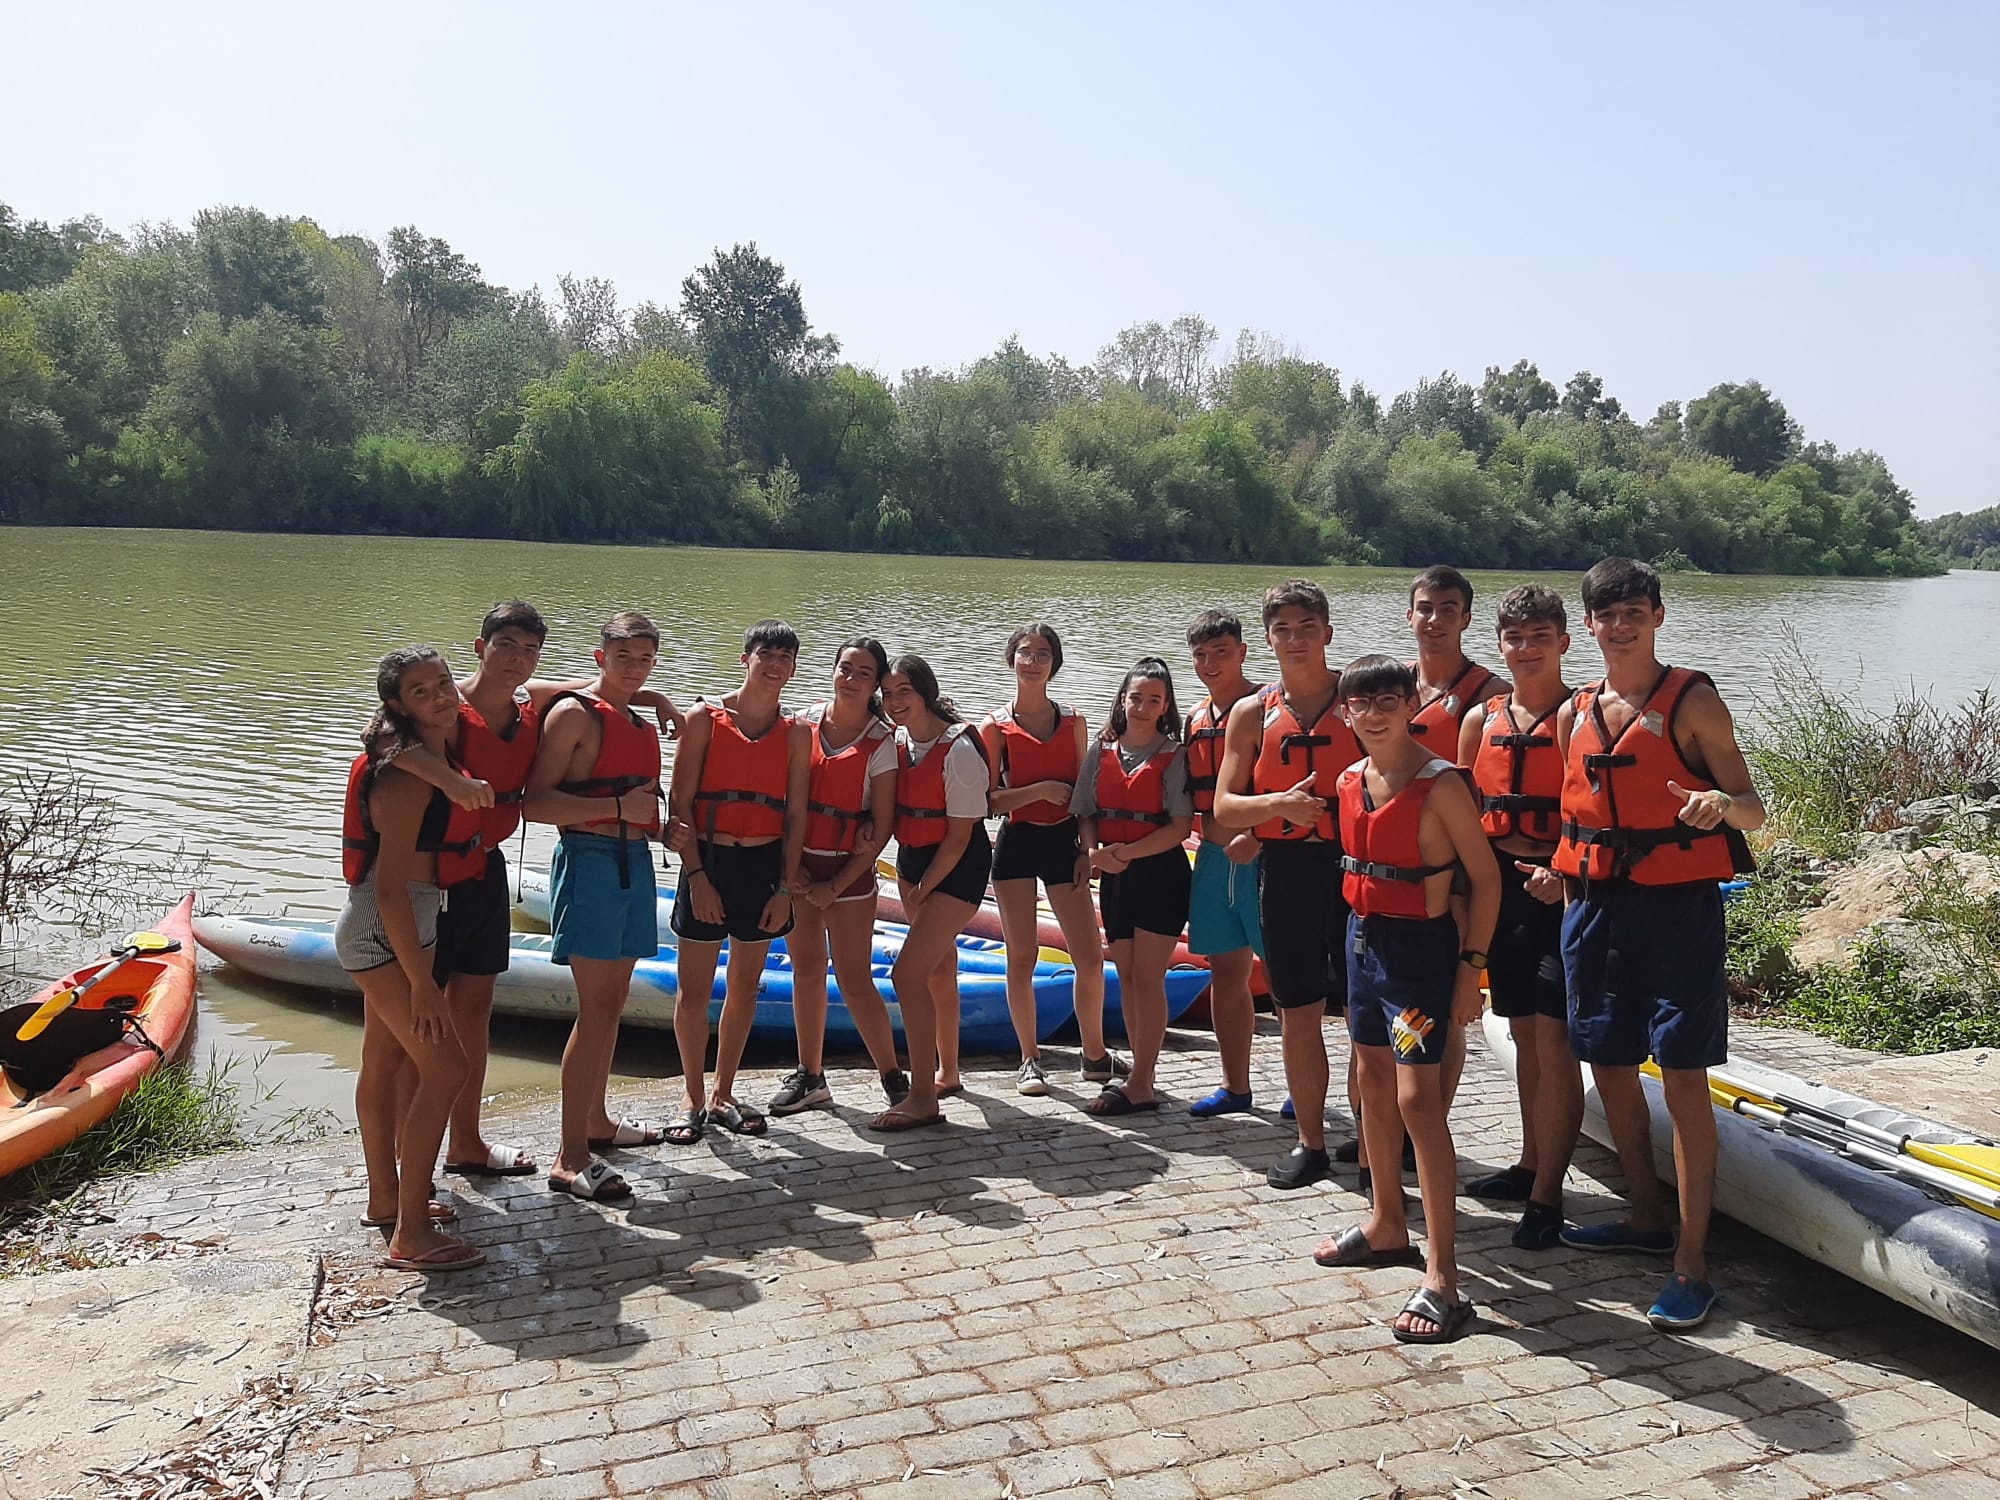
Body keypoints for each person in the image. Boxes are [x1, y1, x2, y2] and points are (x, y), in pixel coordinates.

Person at [390, 602, 685, 1179]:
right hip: (430, 878)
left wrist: (657, 700)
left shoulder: (530, 703)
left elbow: (601, 686)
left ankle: (471, 1141)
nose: (518, 660)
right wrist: (449, 779)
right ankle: (404, 1176)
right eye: (506, 646)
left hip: (487, 870)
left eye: (529, 651)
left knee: (477, 1012)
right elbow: (384, 741)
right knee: (414, 1030)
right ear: (480, 647)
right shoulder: (448, 707)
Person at [1550, 557, 1763, 1332]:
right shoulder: (1577, 712)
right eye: (1607, 615)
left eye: (1634, 612)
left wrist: (1717, 802)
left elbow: (1753, 809)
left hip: (1677, 909)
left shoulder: (1693, 701)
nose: (1621, 626)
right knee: (1607, 1061)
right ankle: (1645, 1215)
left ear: (1658, 617)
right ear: (1589, 625)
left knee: (1681, 1075)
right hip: (1596, 907)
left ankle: (1691, 1264)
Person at [1313, 655, 1498, 1345]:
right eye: (1361, 704)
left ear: (1411, 704)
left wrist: (1471, 970)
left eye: (1388, 700)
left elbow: (1486, 881)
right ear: (1345, 712)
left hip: (1422, 956)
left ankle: (1444, 1275)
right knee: (1371, 1081)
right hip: (1364, 944)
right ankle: (1387, 1222)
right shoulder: (1348, 780)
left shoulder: (1441, 784)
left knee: (1418, 1100)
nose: (1374, 714)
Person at [334, 647, 479, 1271]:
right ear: (398, 705)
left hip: (406, 926)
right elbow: (390, 889)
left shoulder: (429, 757)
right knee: (446, 1070)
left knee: (384, 1058)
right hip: (381, 932)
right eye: (423, 691)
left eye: (444, 683)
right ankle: (411, 1234)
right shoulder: (406, 778)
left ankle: (387, 1200)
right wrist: (422, 984)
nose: (442, 696)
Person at [1213, 579, 1360, 1190]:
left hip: (1354, 872)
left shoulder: (1360, 700)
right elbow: (1224, 806)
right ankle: (1310, 1141)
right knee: (1297, 1012)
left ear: (1327, 633)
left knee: (1362, 1016)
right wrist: (1277, 805)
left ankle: (1374, 1141)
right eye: (1283, 630)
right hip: (1286, 873)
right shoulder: (1251, 713)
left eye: (1307, 628)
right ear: (1268, 639)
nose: (1295, 640)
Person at [523, 612, 675, 1203]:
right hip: (588, 862)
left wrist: (662, 830)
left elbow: (640, 807)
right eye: (623, 658)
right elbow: (535, 803)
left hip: (635, 862)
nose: (635, 669)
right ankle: (569, 1158)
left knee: (613, 1004)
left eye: (645, 660)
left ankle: (596, 1121)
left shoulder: (636, 719)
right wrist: (616, 809)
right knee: (596, 1009)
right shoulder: (572, 714)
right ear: (599, 657)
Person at [1456, 584, 1581, 1247]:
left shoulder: (1581, 716)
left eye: (1540, 637)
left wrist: (1564, 871)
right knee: (1524, 1037)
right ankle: (1532, 1163)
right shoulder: (1482, 719)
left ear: (1564, 642)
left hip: (1561, 890)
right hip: (1501, 888)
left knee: (1554, 1045)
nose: (1527, 649)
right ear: (1499, 644)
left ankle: (1548, 1196)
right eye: (1515, 638)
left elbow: (1597, 810)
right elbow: (1462, 814)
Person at [667, 620, 808, 1142]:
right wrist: (697, 877)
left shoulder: (797, 732)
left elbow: (796, 815)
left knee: (745, 984)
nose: (775, 665)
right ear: (745, 658)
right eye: (766, 653)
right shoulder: (704, 719)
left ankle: (723, 1093)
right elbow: (680, 802)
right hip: (708, 862)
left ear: (793, 668)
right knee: (694, 989)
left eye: (785, 657)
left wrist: (785, 888)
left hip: (763, 867)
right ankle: (691, 1095)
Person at [768, 637, 911, 1115]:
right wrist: (791, 873)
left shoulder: (882, 742)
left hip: (848, 878)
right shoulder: (802, 723)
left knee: (854, 978)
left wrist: (837, 883)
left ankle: (893, 1078)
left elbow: (883, 825)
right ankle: (810, 1077)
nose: (850, 680)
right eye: (845, 668)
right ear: (832, 670)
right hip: (798, 870)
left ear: (875, 685)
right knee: (806, 970)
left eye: (863, 673)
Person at [979, 624, 1117, 1097]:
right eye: (1025, 652)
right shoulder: (995, 727)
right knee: (1022, 956)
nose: (1033, 661)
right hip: (1016, 843)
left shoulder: (1074, 721)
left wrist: (1088, 849)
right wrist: (1038, 791)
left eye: (1043, 654)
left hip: (1063, 844)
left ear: (1054, 664)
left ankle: (1094, 1055)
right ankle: (1030, 1059)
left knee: (1089, 957)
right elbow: (987, 802)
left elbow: (1084, 797)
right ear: (1011, 660)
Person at [872, 655, 993, 1131]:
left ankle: (922, 1097)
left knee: (908, 974)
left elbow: (960, 838)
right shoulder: (897, 740)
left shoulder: (959, 749)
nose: (894, 701)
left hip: (957, 869)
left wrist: (924, 889)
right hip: (913, 862)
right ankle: (949, 1073)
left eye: (904, 691)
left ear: (926, 692)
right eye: (887, 693)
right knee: (940, 968)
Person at [1073, 658, 1194, 1114]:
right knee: (1125, 975)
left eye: (1153, 700)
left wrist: (1122, 855)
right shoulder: (1101, 750)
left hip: (1160, 874)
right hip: (1116, 876)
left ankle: (1141, 1080)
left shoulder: (1174, 755)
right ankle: (1141, 1073)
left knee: (1147, 977)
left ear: (1166, 707)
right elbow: (1086, 812)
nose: (1143, 707)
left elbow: (1179, 827)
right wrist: (1093, 853)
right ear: (1123, 700)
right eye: (1136, 698)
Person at [1404, 565, 1504, 1110]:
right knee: (1396, 1000)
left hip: (1458, 870)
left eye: (1448, 610)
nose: (1435, 619)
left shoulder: (1490, 695)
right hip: (1395, 860)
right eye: (1426, 608)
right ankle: (1390, 1124)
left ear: (1466, 619)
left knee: (1446, 1003)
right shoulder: (1391, 687)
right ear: (1410, 616)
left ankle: (1432, 1127)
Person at [1179, 610, 1267, 1118]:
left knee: (1285, 973)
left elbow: (1291, 785)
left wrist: (1258, 835)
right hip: (1213, 857)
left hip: (1264, 855)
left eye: (1221, 652)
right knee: (1225, 971)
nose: (1211, 663)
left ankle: (1302, 1089)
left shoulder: (1267, 709)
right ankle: (1236, 1086)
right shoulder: (1195, 717)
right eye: (1201, 655)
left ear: (1242, 653)